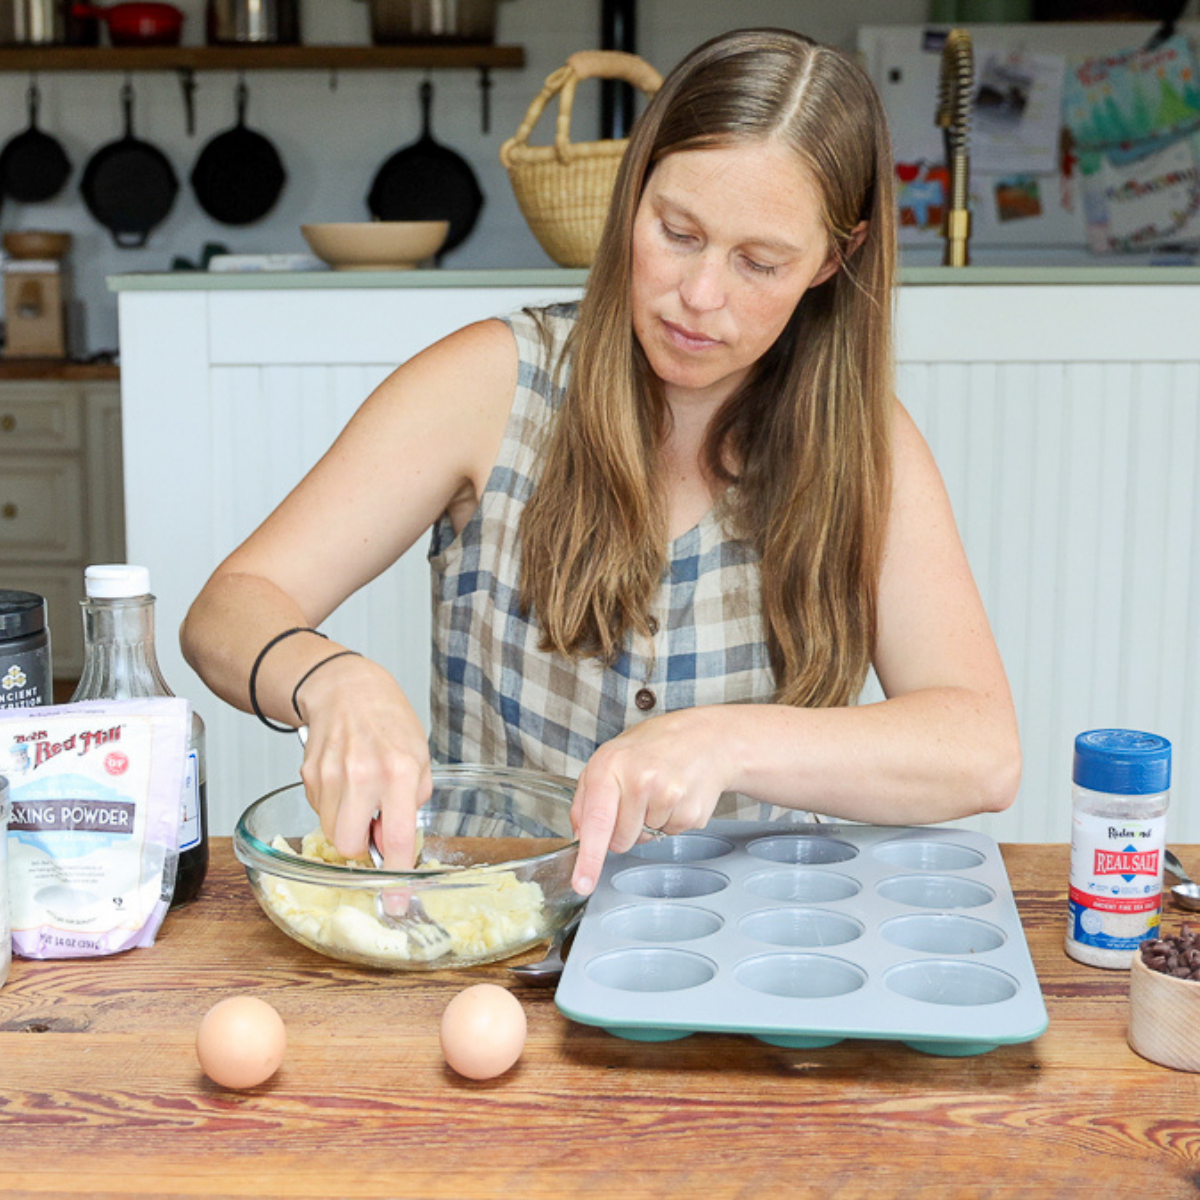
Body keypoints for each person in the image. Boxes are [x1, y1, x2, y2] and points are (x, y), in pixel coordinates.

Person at [181, 27, 1020, 897]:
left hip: (759, 930)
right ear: (632, 195)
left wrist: (723, 740)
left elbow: (981, 750)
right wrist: (328, 678)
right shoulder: (493, 383)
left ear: (832, 260)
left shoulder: (867, 444)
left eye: (759, 262)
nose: (701, 296)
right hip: (496, 923)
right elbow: (224, 613)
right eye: (677, 231)